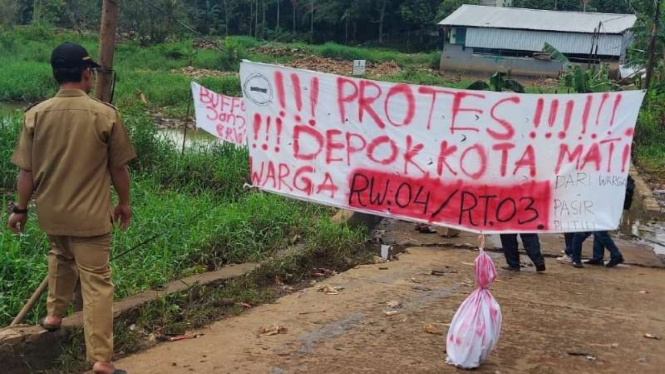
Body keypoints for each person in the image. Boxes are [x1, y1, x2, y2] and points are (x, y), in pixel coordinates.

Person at [7, 42, 136, 374]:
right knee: (97, 284)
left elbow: (26, 172)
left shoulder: (35, 115)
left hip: (52, 215)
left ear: (55, 75)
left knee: (60, 257)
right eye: (90, 72)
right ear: (84, 74)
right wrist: (123, 202)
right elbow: (119, 169)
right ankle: (102, 361)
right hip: (91, 219)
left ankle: (53, 315)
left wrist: (20, 210)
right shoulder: (104, 114)